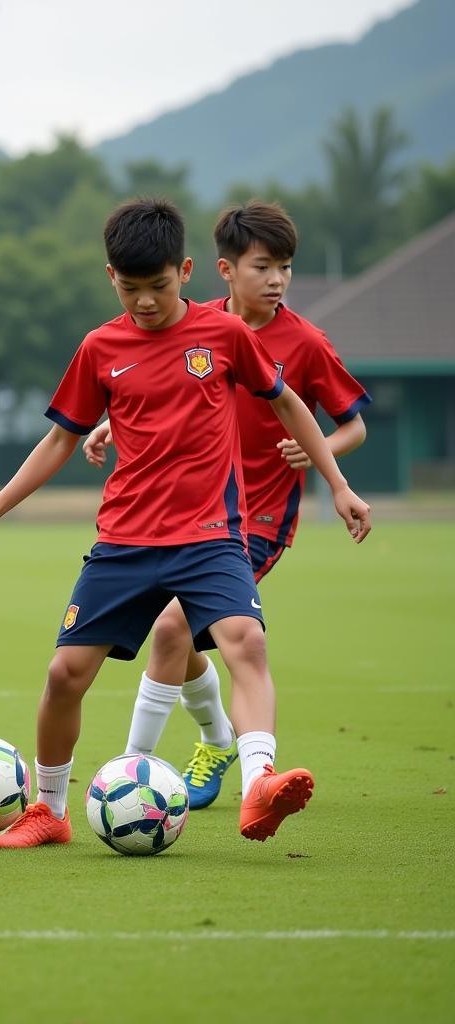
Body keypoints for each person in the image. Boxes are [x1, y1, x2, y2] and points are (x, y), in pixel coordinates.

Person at [0, 198, 371, 848]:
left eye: (158, 286)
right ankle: (50, 811)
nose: (144, 302)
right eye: (129, 287)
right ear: (110, 276)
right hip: (124, 543)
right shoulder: (99, 347)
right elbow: (60, 439)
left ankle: (259, 786)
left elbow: (287, 405)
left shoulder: (225, 336)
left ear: (187, 270)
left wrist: (338, 485)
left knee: (245, 641)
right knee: (63, 676)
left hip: (210, 537)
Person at [81, 200, 371, 810]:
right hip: (177, 517)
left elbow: (350, 424)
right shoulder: (194, 322)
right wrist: (112, 425)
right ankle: (215, 739)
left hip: (254, 515)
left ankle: (134, 775)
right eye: (264, 266)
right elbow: (150, 390)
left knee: (172, 627)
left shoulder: (306, 342)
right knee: (179, 635)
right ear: (223, 270)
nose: (276, 280)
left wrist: (328, 469)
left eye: (285, 269)